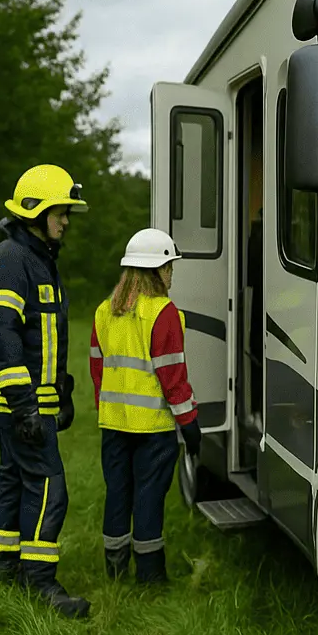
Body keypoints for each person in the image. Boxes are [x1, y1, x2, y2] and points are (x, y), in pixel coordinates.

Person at [0, 164, 89, 618]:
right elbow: (2, 334)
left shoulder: (38, 259)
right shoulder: (12, 259)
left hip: (28, 399)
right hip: (18, 400)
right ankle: (41, 583)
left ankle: (7, 568)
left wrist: (59, 394)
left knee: (14, 477)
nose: (65, 221)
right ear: (36, 211)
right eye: (60, 212)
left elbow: (40, 337)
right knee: (48, 484)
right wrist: (26, 404)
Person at [89, 228, 201, 584]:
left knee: (118, 496)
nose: (172, 275)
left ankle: (115, 570)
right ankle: (150, 577)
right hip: (153, 429)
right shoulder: (162, 312)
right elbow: (173, 377)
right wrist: (190, 423)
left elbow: (98, 369)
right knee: (149, 501)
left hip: (113, 425)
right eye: (169, 267)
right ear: (157, 270)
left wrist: (106, 409)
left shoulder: (104, 311)